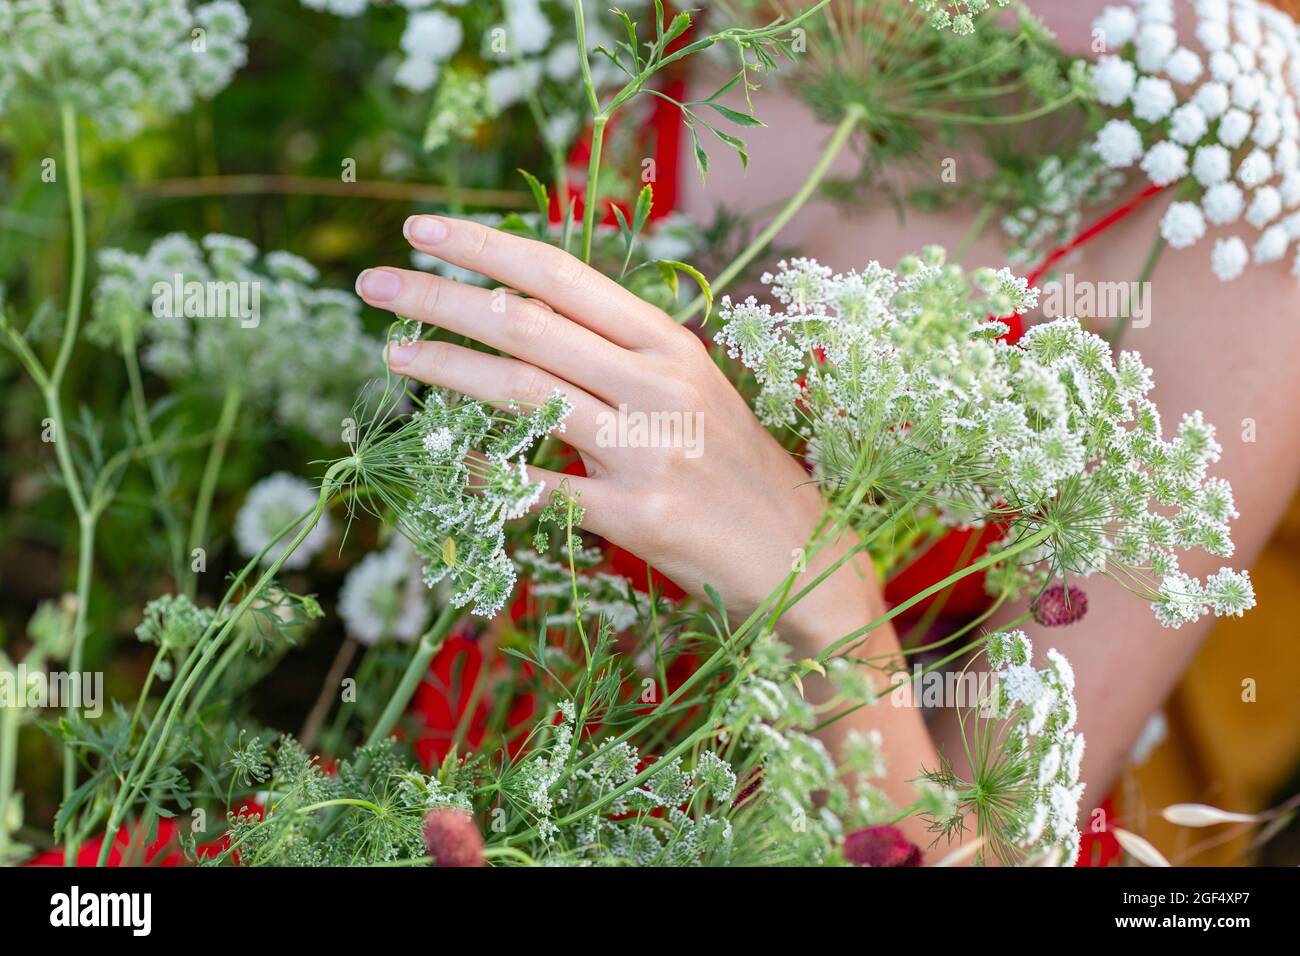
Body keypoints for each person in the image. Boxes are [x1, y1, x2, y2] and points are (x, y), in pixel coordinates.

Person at [355, 0, 1300, 859]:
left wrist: (817, 584)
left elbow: (995, 852)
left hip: (793, 822)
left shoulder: (1245, 189)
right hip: (430, 759)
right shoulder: (699, 26)